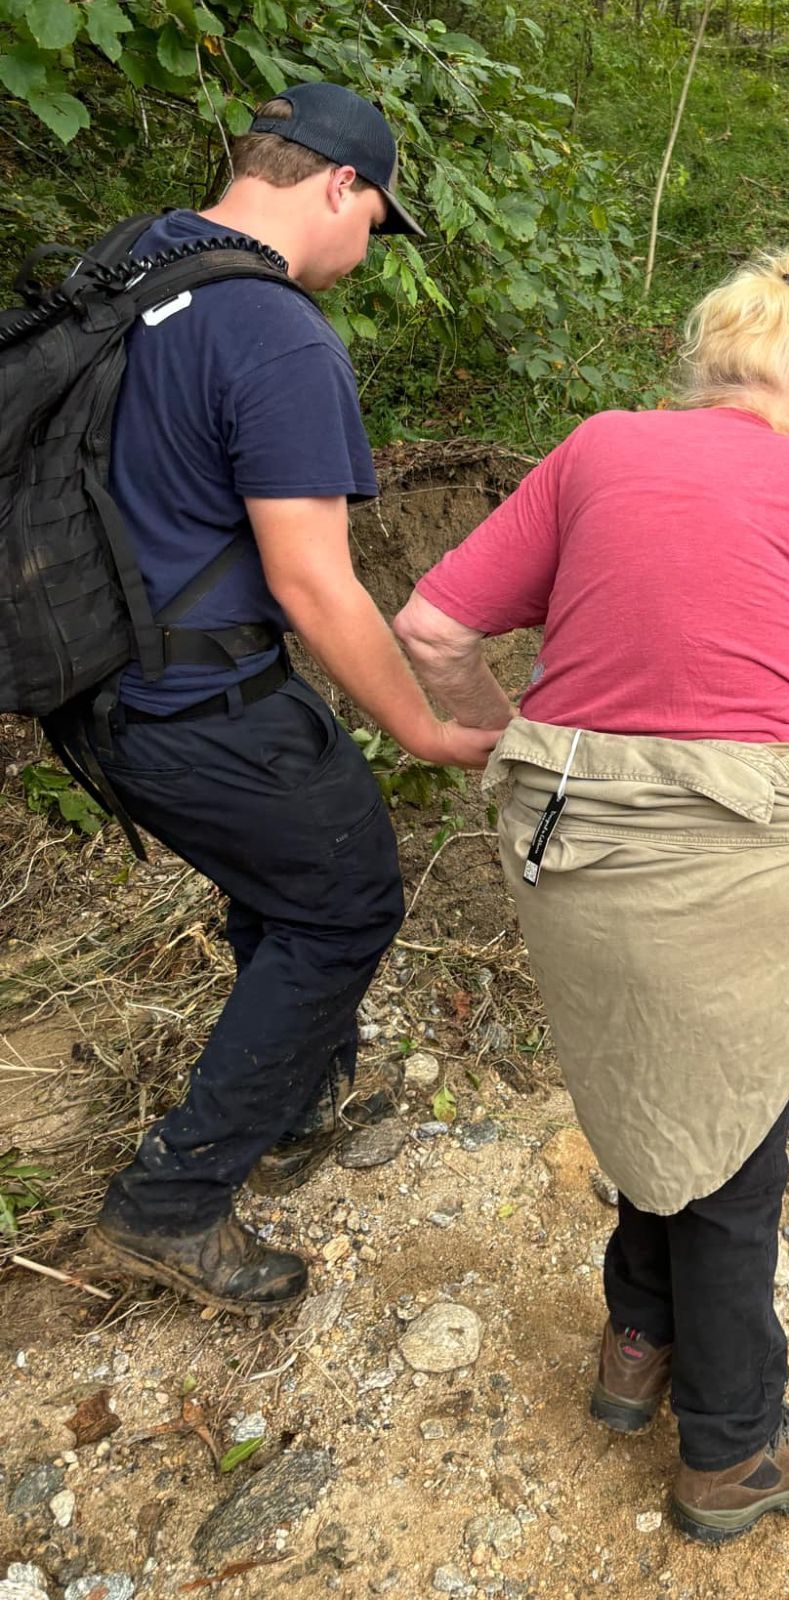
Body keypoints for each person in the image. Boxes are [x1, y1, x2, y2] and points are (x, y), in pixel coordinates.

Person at [394, 240, 789, 1541]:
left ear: (701, 370)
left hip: (573, 853)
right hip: (739, 863)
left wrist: (502, 741)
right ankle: (729, 1448)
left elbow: (433, 632)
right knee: (735, 1146)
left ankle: (635, 1346)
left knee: (646, 1082)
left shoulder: (599, 447)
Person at [51, 84, 502, 1317]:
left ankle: (298, 1092)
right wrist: (422, 722)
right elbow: (314, 580)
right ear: (339, 187)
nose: (368, 251)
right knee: (347, 901)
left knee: (287, 872)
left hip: (92, 680)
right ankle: (173, 1202)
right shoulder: (278, 334)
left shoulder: (131, 261)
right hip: (195, 697)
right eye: (378, 220)